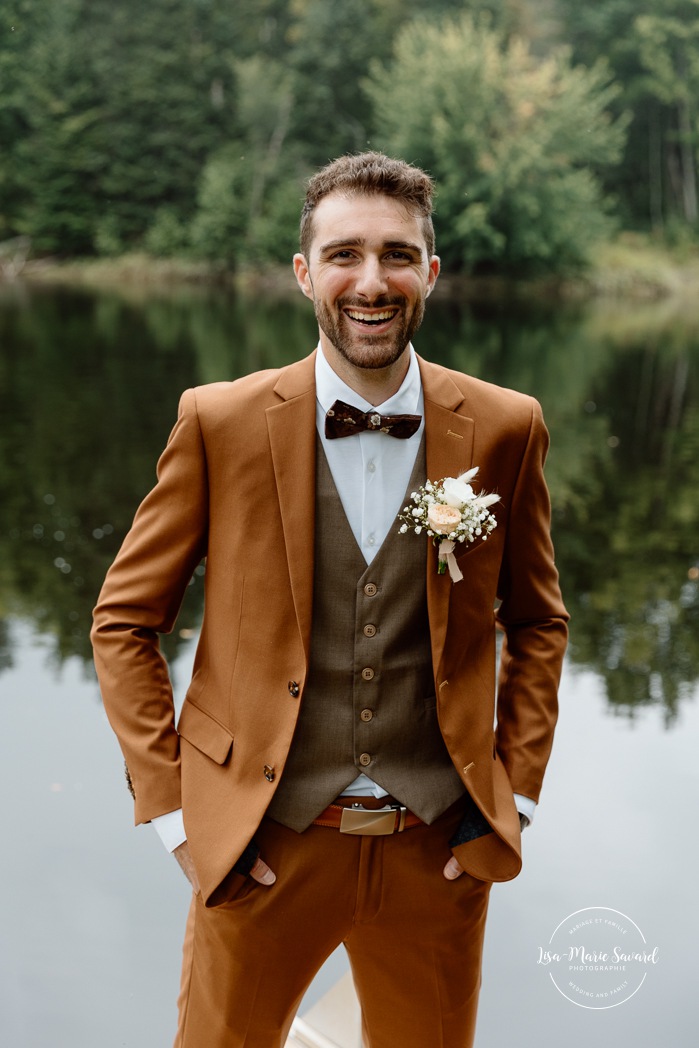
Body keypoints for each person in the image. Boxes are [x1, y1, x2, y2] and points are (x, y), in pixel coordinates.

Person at [91, 151, 568, 1048]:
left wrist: (514, 800)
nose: (371, 280)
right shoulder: (219, 420)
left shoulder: (506, 424)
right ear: (305, 272)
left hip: (440, 844)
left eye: (395, 255)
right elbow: (123, 623)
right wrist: (176, 819)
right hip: (259, 844)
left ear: (429, 271)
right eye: (344, 254)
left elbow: (537, 621)